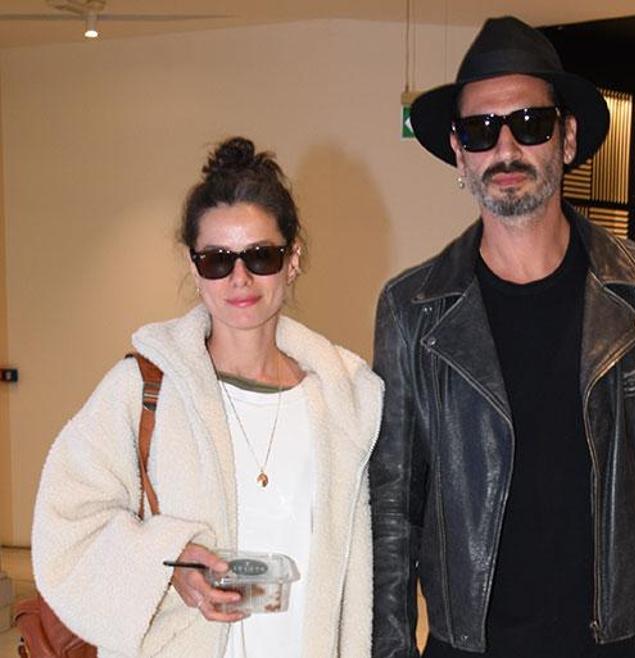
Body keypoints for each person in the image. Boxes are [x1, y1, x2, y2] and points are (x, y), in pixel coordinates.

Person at [370, 16, 635, 658]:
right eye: (481, 130)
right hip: (470, 647)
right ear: (459, 152)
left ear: (566, 138)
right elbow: (394, 511)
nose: (505, 149)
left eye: (530, 124)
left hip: (618, 643)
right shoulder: (413, 309)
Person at [32, 136, 383, 657]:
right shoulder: (143, 387)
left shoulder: (342, 400)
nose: (240, 278)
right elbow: (67, 524)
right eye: (218, 260)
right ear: (194, 266)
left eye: (261, 256)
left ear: (293, 259)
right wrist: (167, 563)